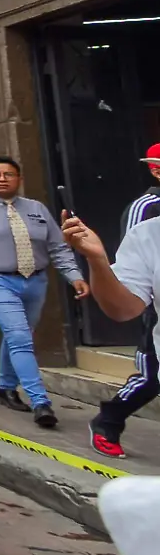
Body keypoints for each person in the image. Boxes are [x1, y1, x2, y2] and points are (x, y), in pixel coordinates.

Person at [0, 155, 87, 429]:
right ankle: (40, 402)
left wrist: (74, 276)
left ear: (19, 179)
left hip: (35, 281)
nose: (2, 178)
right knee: (20, 337)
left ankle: (5, 388)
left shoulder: (36, 209)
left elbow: (57, 247)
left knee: (19, 335)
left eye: (9, 174)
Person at [90, 144, 160, 457]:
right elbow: (132, 279)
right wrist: (97, 262)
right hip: (149, 303)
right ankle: (109, 419)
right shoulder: (146, 216)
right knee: (151, 373)